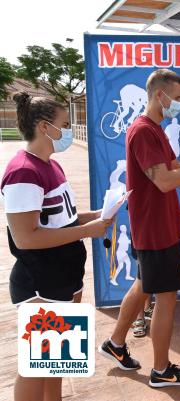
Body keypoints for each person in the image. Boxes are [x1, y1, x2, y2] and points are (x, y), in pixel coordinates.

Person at [98, 69, 180, 388]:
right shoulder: (143, 131)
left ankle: (115, 344)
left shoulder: (155, 130)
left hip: (160, 226)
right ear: (160, 95)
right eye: (178, 98)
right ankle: (161, 370)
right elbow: (166, 180)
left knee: (143, 284)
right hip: (155, 229)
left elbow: (173, 169)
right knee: (166, 298)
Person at [2, 92, 111, 401]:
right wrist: (88, 230)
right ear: (44, 126)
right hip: (40, 284)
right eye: (65, 123)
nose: (68, 129)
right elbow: (26, 237)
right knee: (36, 366)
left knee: (58, 361)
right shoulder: (24, 171)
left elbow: (61, 220)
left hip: (64, 278)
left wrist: (96, 216)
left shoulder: (50, 165)